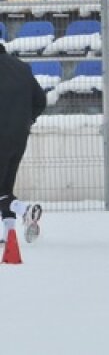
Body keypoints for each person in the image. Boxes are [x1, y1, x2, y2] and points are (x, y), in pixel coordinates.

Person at [0, 43, 46, 245]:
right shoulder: (21, 67)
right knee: (5, 185)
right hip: (19, 135)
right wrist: (27, 120)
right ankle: (8, 234)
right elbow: (41, 101)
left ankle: (24, 210)